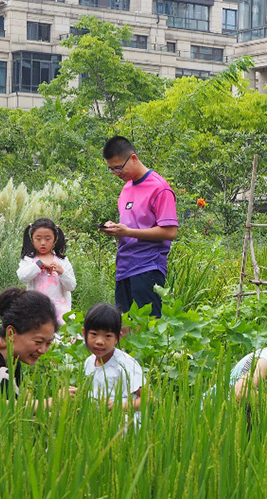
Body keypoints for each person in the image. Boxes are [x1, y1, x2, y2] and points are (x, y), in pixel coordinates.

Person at [101, 136, 179, 318]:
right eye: (111, 169)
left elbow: (170, 231)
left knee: (147, 329)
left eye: (118, 167)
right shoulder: (127, 188)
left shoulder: (159, 188)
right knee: (124, 330)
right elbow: (132, 225)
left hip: (147, 268)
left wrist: (128, 232)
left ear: (134, 158)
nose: (116, 173)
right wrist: (114, 229)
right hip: (124, 268)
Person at [82, 303, 144, 411]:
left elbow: (148, 398)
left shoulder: (125, 364)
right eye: (94, 334)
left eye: (108, 336)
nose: (99, 341)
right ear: (84, 333)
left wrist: (118, 407)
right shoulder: (89, 362)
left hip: (124, 423)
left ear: (118, 338)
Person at [17, 218, 76, 325]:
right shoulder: (29, 260)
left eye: (48, 239)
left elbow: (71, 286)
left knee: (65, 337)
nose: (43, 243)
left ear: (55, 239)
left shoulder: (62, 261)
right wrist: (39, 265)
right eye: (38, 239)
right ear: (32, 239)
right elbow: (23, 277)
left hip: (61, 311)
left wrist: (62, 272)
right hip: (35, 310)